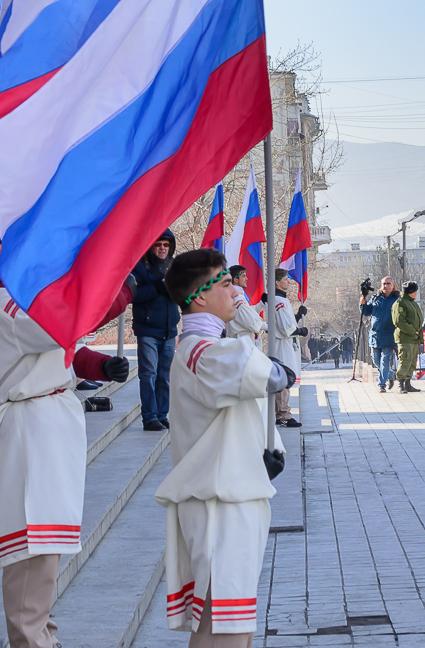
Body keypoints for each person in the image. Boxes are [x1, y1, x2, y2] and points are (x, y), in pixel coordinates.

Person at [0, 219, 131, 648]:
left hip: (48, 419)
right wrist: (117, 287)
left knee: (48, 540)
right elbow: (56, 327)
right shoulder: (3, 297)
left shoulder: (20, 295)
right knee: (33, 542)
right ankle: (29, 639)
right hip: (27, 426)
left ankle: (41, 630)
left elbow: (60, 348)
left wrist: (97, 366)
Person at [153, 248, 293, 644]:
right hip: (217, 504)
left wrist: (267, 452)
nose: (237, 292)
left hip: (231, 497)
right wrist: (280, 372)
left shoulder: (211, 346)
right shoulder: (202, 349)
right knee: (223, 628)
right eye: (228, 283)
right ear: (199, 296)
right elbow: (265, 374)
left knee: (234, 625)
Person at [132, 230, 180, 431]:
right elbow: (132, 295)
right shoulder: (139, 268)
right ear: (151, 246)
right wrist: (157, 287)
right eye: (158, 244)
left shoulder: (175, 267)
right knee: (149, 374)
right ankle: (150, 417)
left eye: (165, 245)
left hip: (169, 329)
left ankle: (162, 414)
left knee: (165, 375)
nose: (162, 248)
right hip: (148, 329)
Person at [268, 269, 307, 425]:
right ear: (277, 282)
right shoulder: (278, 300)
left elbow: (287, 322)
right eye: (285, 279)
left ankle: (280, 413)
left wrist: (297, 316)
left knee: (283, 376)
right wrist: (300, 331)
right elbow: (285, 328)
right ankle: (284, 414)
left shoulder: (281, 300)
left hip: (285, 343)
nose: (288, 281)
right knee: (284, 377)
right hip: (281, 343)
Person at [360, 277, 399, 392]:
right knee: (376, 360)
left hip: (389, 336)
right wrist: (362, 303)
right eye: (383, 284)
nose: (386, 286)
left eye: (388, 283)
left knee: (384, 361)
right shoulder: (376, 297)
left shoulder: (397, 299)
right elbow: (366, 312)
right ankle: (390, 375)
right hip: (375, 335)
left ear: (393, 285)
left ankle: (382, 385)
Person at [391, 282, 423, 394]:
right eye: (414, 291)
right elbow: (399, 321)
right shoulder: (400, 303)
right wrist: (413, 331)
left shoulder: (412, 303)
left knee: (412, 361)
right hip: (405, 338)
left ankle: (408, 383)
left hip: (413, 338)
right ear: (410, 292)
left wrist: (419, 337)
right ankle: (400, 384)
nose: (416, 293)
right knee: (405, 360)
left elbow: (418, 321)